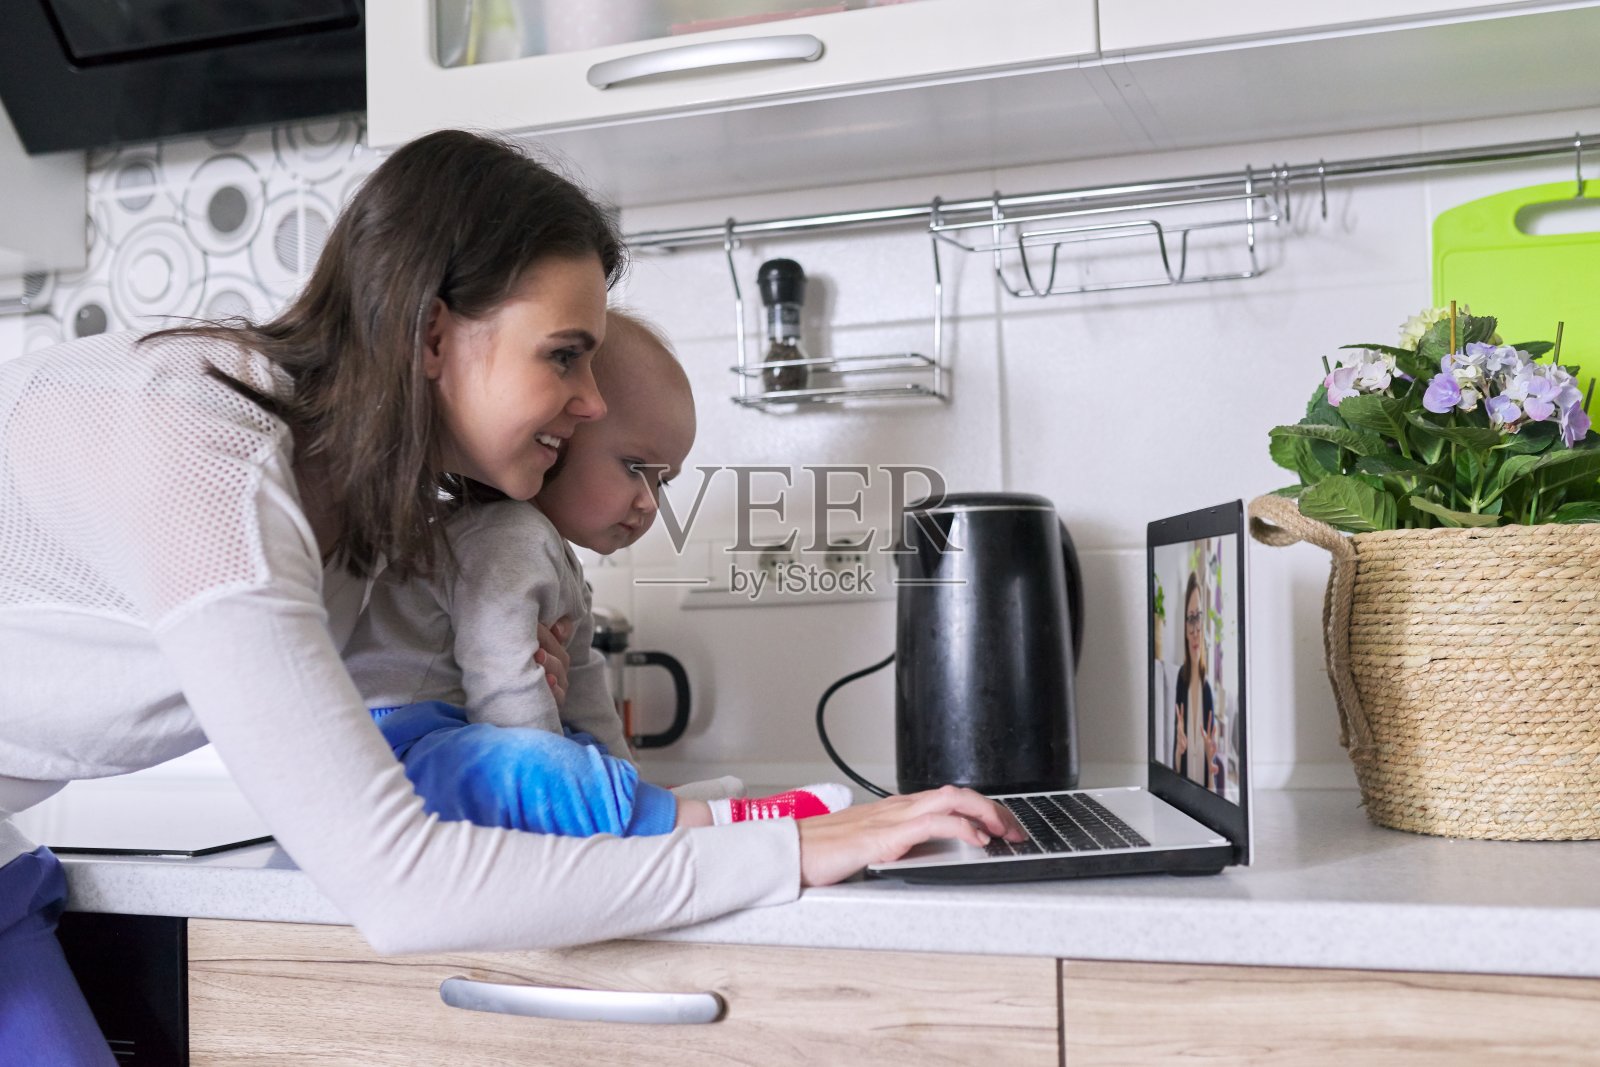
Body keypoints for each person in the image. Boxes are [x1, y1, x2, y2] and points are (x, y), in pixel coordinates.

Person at [0, 129, 1022, 1064]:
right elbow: (399, 882)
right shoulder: (206, 448)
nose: (588, 403)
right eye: (565, 357)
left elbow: (463, 748)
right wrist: (781, 848)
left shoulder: (353, 512)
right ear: (435, 333)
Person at [343, 309, 851, 836]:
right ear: (557, 439)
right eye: (634, 467)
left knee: (570, 746)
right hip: (393, 746)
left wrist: (619, 771)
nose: (649, 503)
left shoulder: (549, 550)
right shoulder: (506, 535)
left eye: (663, 483)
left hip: (453, 741)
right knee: (534, 755)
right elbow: (506, 685)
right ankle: (697, 818)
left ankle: (643, 806)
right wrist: (560, 786)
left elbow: (584, 684)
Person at [1172, 572, 1220, 791]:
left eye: (1199, 617)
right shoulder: (1180, 682)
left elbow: (1211, 791)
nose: (1195, 629)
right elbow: (1175, 771)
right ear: (1184, 626)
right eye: (1190, 618)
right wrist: (1178, 752)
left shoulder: (1207, 690)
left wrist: (1211, 765)